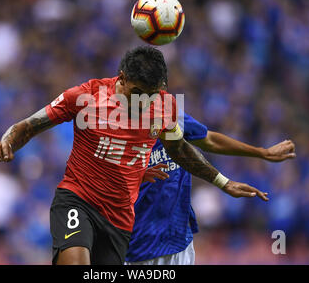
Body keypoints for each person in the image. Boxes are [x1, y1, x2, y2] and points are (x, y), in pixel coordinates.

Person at [0, 46, 268, 265]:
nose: (142, 102)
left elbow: (180, 151)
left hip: (119, 219)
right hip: (78, 199)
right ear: (121, 79)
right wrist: (7, 142)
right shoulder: (86, 98)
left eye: (150, 95)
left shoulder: (164, 108)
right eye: (135, 93)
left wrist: (222, 182)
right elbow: (28, 126)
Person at [125, 112, 296, 265]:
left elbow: (209, 140)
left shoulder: (170, 114)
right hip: (136, 245)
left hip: (177, 241)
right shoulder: (113, 129)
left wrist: (262, 153)